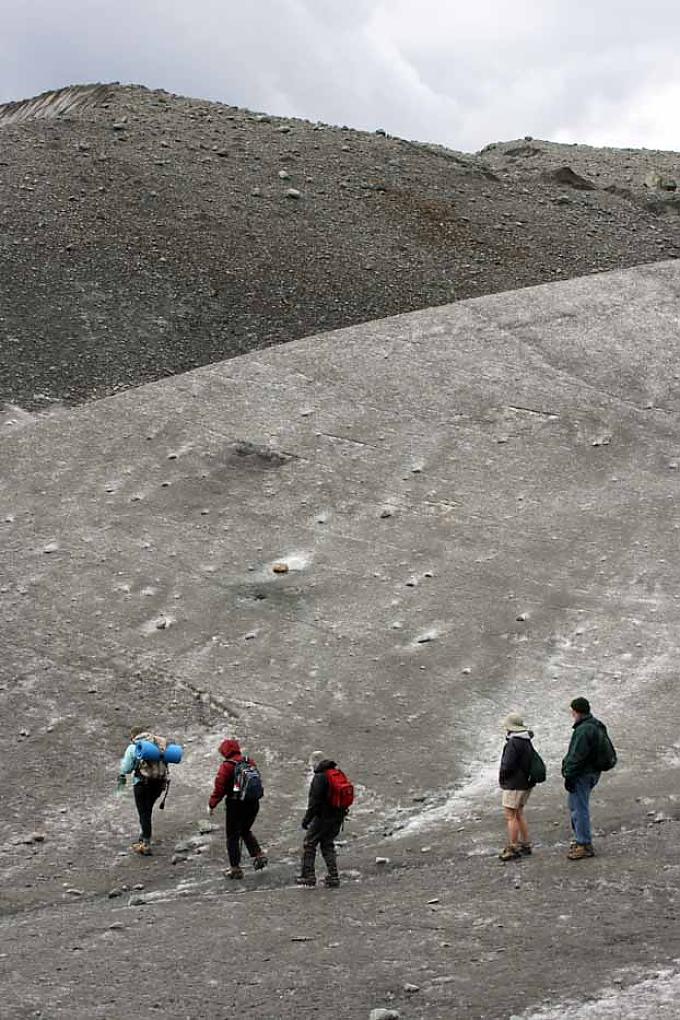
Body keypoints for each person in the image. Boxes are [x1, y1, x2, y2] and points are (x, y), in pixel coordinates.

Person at [208, 738, 267, 879]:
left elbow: (220, 788)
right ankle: (259, 856)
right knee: (245, 830)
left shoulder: (227, 766)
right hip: (253, 803)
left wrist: (212, 804)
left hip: (236, 805)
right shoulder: (249, 761)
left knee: (233, 836)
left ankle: (235, 868)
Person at [562, 696, 609, 859]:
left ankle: (583, 843)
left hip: (582, 774)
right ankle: (581, 840)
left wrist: (568, 775)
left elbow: (577, 756)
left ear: (577, 711)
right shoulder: (596, 724)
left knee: (579, 807)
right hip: (592, 772)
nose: (572, 714)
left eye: (573, 711)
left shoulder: (583, 730)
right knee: (576, 806)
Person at [296, 752, 348, 888]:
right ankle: (334, 876)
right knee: (327, 844)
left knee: (309, 843)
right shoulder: (337, 772)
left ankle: (308, 876)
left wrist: (306, 820)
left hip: (323, 817)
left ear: (315, 762)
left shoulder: (320, 777)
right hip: (338, 815)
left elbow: (314, 802)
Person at [117, 727, 169, 856]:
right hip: (159, 784)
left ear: (133, 736)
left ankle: (145, 843)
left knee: (143, 812)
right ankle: (143, 834)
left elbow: (126, 768)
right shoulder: (159, 744)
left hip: (142, 784)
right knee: (148, 809)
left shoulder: (133, 747)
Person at [498, 712, 535, 861]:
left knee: (510, 815)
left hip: (514, 785)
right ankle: (526, 844)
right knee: (519, 813)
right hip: (525, 783)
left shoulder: (513, 743)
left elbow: (507, 765)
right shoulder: (526, 741)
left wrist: (503, 779)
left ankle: (513, 847)